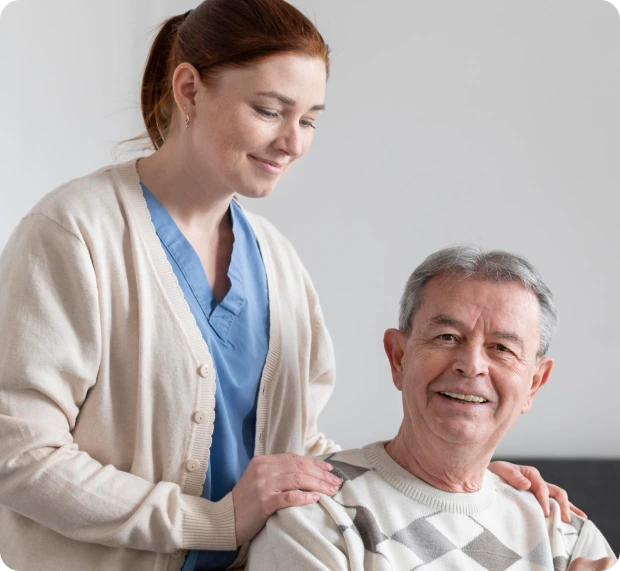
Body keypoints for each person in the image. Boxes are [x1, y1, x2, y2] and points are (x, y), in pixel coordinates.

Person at [0, 2, 581, 570]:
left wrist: (463, 481)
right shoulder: (75, 235)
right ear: (189, 90)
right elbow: (18, 455)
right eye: (269, 110)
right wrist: (211, 522)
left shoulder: (276, 262)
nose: (293, 143)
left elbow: (298, 457)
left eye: (308, 119)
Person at [246, 246, 617, 571]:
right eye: (447, 337)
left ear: (534, 383)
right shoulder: (316, 515)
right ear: (399, 358)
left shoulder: (564, 531)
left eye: (502, 348)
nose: (471, 365)